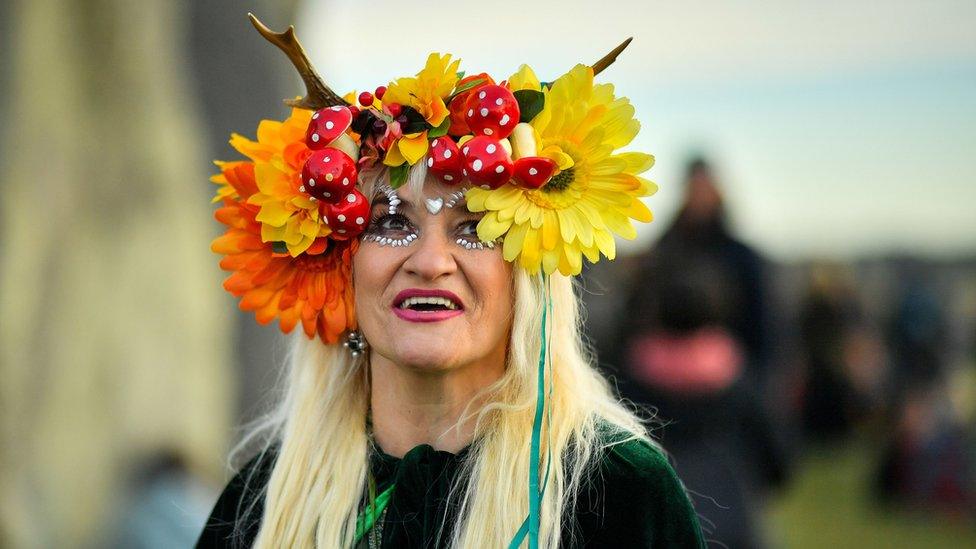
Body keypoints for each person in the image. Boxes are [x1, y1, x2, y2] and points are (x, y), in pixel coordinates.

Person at [198, 14, 704, 548]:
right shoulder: (264, 499)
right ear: (341, 264)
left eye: (475, 228)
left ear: (526, 274)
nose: (431, 261)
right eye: (392, 222)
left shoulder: (619, 492)